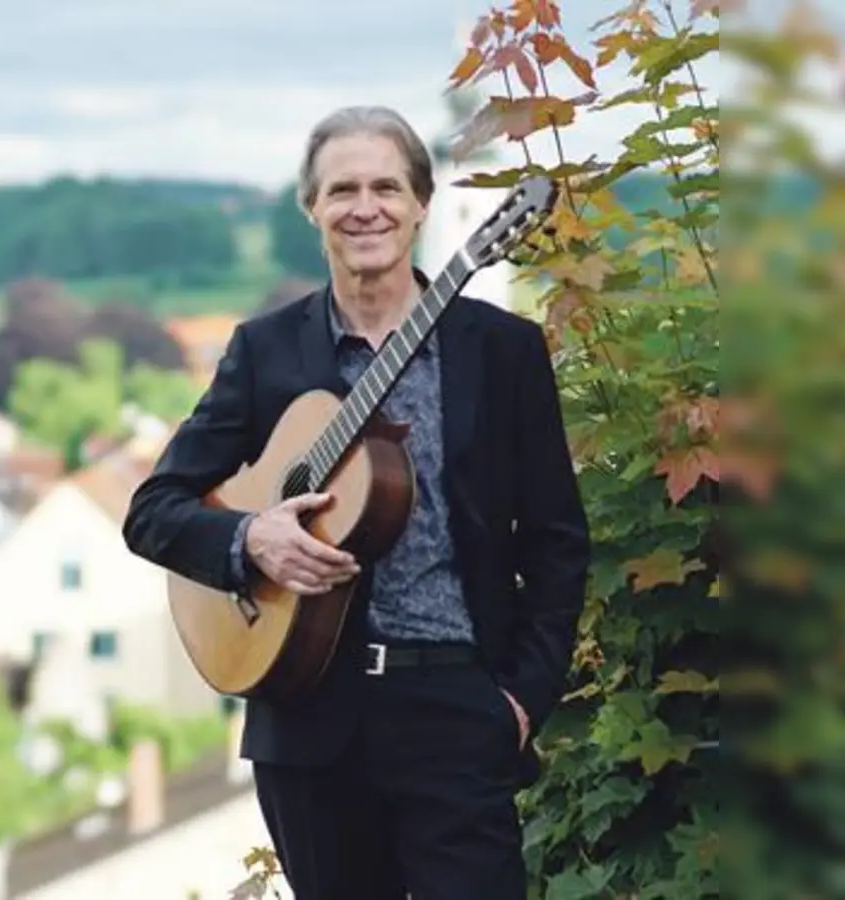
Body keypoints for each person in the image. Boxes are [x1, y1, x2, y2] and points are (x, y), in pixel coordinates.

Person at [121, 105, 590, 899]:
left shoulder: (502, 351)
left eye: (385, 186)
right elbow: (153, 510)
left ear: (420, 204)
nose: (364, 207)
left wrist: (518, 701)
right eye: (342, 190)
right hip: (308, 721)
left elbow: (556, 540)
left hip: (457, 705)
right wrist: (249, 543)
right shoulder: (265, 351)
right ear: (313, 209)